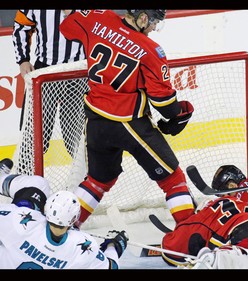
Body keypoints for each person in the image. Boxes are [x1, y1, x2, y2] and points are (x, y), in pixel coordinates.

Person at [59, 10, 195, 228]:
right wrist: (180, 112)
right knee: (173, 179)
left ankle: (64, 229)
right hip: (128, 121)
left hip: (95, 120)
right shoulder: (151, 50)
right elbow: (163, 104)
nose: (154, 28)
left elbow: (66, 27)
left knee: (97, 180)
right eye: (154, 23)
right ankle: (189, 235)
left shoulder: (97, 18)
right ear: (142, 18)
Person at [0, 158, 128, 269]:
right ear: (73, 220)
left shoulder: (21, 221)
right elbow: (112, 267)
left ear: (46, 210)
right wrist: (115, 246)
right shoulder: (81, 247)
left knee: (39, 185)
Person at [12, 10, 86, 161]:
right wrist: (23, 59)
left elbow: (102, 26)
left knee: (78, 138)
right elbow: (21, 26)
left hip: (79, 74)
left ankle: (85, 181)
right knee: (34, 137)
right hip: (44, 73)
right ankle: (26, 179)